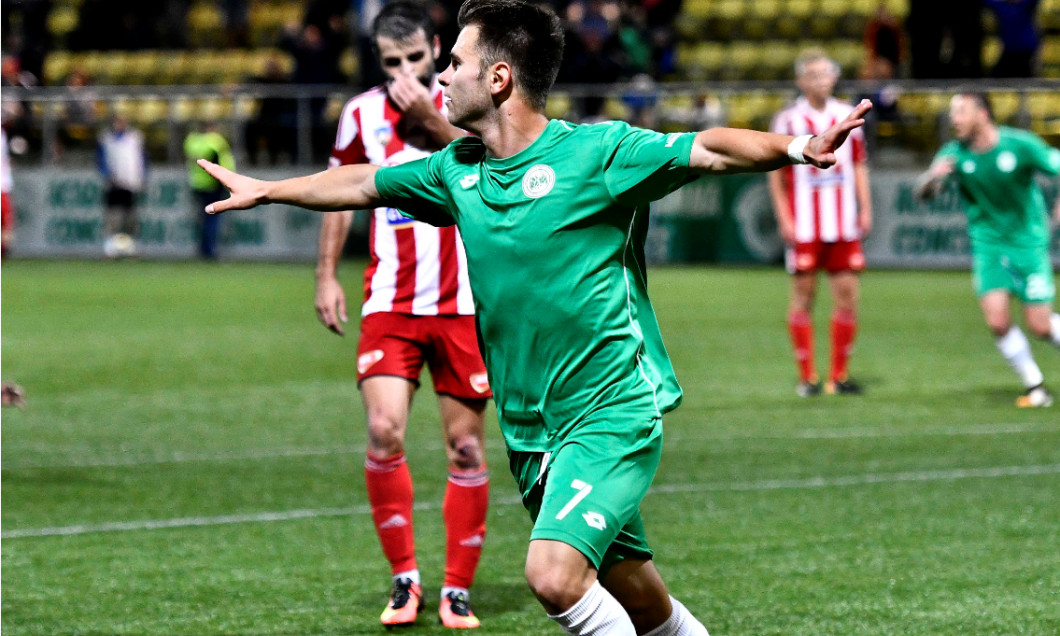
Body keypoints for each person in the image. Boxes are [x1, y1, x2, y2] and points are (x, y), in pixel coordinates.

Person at [198, 0, 872, 632]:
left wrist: (796, 149)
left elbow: (708, 148)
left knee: (552, 577)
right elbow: (361, 182)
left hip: (608, 416)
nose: (442, 76)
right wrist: (267, 190)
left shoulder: (597, 153)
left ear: (498, 77)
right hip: (530, 433)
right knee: (637, 592)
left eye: (454, 63)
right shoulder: (456, 170)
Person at [314, 1, 491, 628]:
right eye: (392, 63)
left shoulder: (469, 106)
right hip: (389, 300)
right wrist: (326, 274)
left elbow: (496, 162)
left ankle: (457, 588)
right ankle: (405, 578)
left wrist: (429, 120)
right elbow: (341, 194)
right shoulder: (360, 114)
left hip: (466, 305)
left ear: (437, 48)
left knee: (466, 446)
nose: (406, 71)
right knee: (385, 431)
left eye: (416, 58)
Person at [915, 92, 1060, 408]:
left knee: (1040, 324)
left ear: (982, 114)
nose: (954, 119)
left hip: (1028, 243)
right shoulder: (954, 153)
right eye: (953, 113)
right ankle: (1035, 386)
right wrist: (932, 178)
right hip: (988, 246)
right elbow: (923, 194)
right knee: (997, 321)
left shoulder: (1019, 145)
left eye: (961, 112)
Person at [768, 50, 873, 397]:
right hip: (806, 226)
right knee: (803, 296)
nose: (820, 80)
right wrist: (784, 216)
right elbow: (776, 175)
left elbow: (858, 164)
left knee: (848, 297)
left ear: (834, 78)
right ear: (800, 81)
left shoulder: (848, 115)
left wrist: (865, 207)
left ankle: (838, 376)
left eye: (825, 73)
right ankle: (807, 377)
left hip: (842, 223)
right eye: (812, 74)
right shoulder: (787, 121)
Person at [97, 114, 147, 258]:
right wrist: (107, 175)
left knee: (130, 218)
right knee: (112, 218)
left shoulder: (135, 137)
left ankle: (130, 249)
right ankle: (110, 249)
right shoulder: (106, 138)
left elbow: (142, 159)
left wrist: (142, 177)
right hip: (113, 184)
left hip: (131, 183)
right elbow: (100, 160)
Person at [184, 120, 235, 260]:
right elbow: (218, 164)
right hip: (214, 185)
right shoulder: (215, 141)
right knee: (212, 220)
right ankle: (209, 250)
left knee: (202, 219)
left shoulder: (191, 141)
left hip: (197, 184)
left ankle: (202, 249)